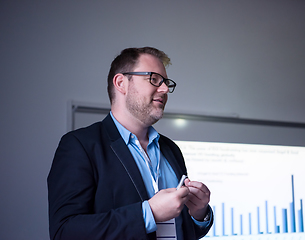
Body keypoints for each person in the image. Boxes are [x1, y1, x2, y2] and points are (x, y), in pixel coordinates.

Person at [47, 47, 213, 240]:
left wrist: (199, 213)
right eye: (154, 79)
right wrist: (148, 213)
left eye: (166, 82)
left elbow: (182, 230)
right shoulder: (80, 146)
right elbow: (65, 232)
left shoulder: (171, 149)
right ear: (121, 83)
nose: (165, 89)